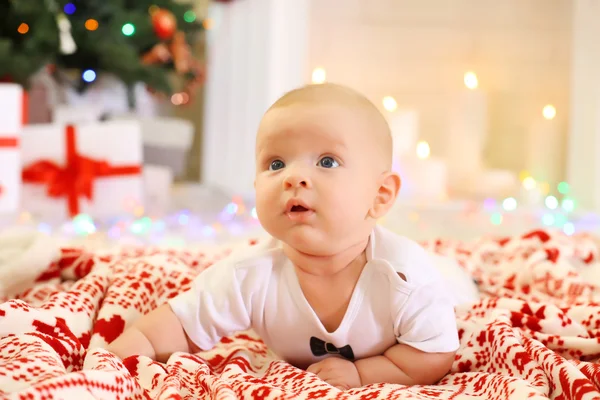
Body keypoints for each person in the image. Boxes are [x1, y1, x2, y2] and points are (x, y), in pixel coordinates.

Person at [107, 83, 459, 390]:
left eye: (327, 161)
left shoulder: (406, 276)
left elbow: (433, 353)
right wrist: (122, 354)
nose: (294, 177)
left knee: (457, 286)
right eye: (276, 164)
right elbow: (181, 325)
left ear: (379, 195)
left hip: (451, 286)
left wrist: (363, 374)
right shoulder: (250, 274)